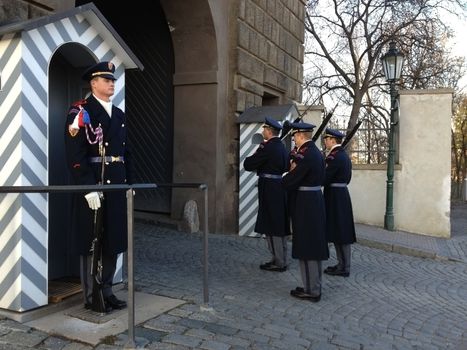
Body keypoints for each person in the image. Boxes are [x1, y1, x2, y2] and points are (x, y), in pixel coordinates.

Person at [64, 61, 132, 312]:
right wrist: (88, 186)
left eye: (113, 80)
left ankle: (108, 290)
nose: (112, 83)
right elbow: (75, 153)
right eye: (106, 80)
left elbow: (127, 152)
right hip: (94, 185)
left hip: (116, 185)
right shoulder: (80, 111)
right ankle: (92, 296)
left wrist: (129, 182)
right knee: (92, 241)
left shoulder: (119, 114)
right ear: (94, 83)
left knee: (114, 238)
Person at [282, 122, 328, 302]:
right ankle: (310, 285)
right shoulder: (315, 153)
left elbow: (289, 182)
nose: (293, 138)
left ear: (301, 135)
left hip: (307, 205)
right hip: (311, 202)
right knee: (307, 244)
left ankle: (313, 289)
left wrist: (289, 174)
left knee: (308, 245)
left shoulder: (307, 155)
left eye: (294, 136)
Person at [244, 117, 290, 272]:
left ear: (269, 131)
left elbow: (249, 164)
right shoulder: (282, 146)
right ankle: (279, 258)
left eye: (264, 129)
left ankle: (279, 261)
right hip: (279, 186)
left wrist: (258, 153)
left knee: (273, 224)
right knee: (277, 223)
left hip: (269, 188)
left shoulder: (268, 147)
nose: (262, 131)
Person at [322, 128, 356, 277]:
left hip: (336, 196)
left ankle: (344, 267)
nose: (325, 141)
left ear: (332, 140)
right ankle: (342, 264)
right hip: (340, 194)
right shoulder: (343, 156)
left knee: (341, 231)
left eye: (326, 139)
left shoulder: (335, 157)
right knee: (339, 231)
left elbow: (325, 177)